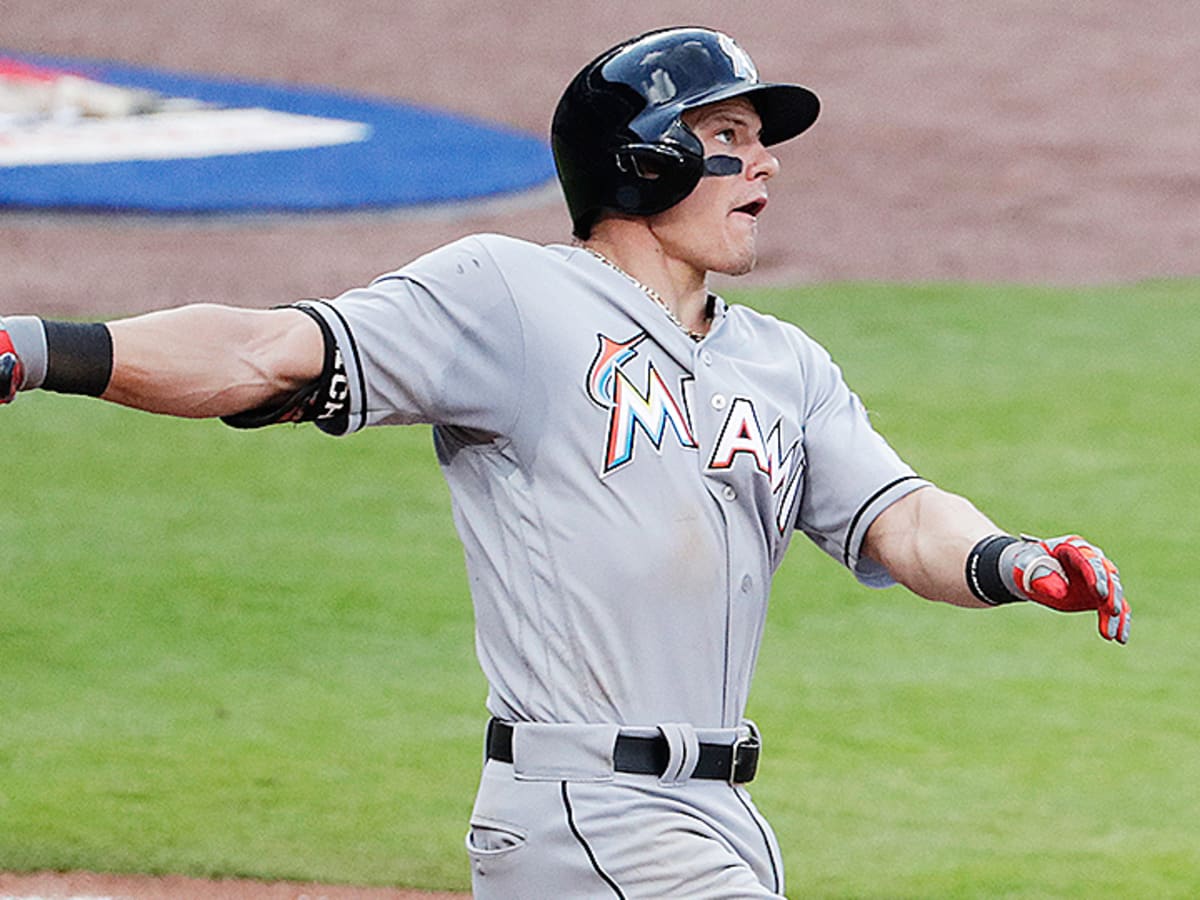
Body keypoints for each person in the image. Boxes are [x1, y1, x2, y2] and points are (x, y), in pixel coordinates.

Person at [0, 27, 1129, 899]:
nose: (764, 163)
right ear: (640, 162)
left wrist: (1011, 559)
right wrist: (39, 347)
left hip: (720, 817)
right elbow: (262, 350)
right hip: (589, 806)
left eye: (759, 140)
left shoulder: (783, 364)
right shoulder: (513, 298)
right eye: (726, 138)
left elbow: (899, 516)